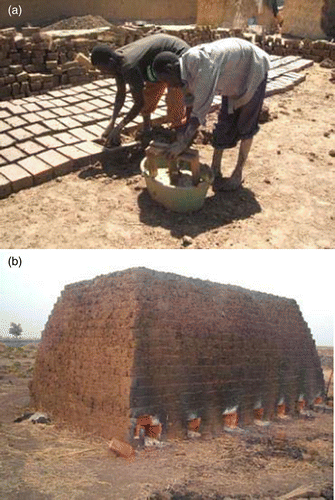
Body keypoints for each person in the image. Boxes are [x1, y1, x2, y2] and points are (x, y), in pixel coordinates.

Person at [152, 38, 271, 191]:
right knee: (224, 121)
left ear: (170, 69)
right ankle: (215, 168)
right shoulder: (183, 72)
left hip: (253, 68)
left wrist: (182, 144)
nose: (168, 85)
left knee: (246, 124)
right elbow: (190, 105)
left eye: (166, 80)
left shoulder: (201, 66)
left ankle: (237, 173)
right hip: (232, 75)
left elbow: (199, 112)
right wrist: (184, 138)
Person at [90, 34, 190, 147]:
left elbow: (138, 103)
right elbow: (120, 95)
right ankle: (147, 128)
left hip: (176, 54)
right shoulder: (116, 63)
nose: (102, 72)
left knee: (174, 96)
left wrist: (119, 127)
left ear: (110, 61)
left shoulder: (129, 66)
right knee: (151, 90)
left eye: (102, 68)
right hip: (154, 59)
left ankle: (180, 134)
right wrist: (112, 123)